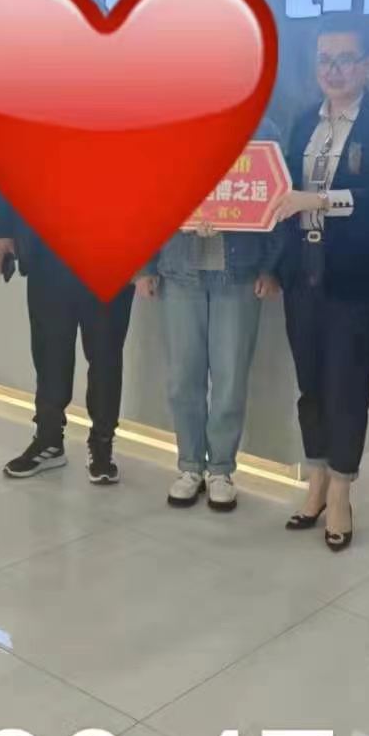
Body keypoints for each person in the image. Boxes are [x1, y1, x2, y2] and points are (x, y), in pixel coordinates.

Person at [273, 31, 369, 551]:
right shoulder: (303, 121)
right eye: (324, 60)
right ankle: (315, 481)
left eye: (345, 60)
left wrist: (322, 200)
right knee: (310, 383)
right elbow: (283, 192)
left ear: (368, 65)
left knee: (347, 386)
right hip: (302, 271)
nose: (333, 70)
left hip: (355, 277)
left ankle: (341, 494)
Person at [135, 120, 283, 512]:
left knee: (230, 377)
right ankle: (189, 466)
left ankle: (220, 469)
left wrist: (270, 267)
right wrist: (144, 266)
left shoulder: (262, 131)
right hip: (179, 270)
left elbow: (277, 201)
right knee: (183, 376)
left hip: (239, 272)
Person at [0, 193, 134, 483]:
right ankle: (49, 438)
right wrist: (2, 229)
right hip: (48, 254)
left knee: (105, 354)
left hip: (108, 252)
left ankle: (102, 443)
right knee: (50, 353)